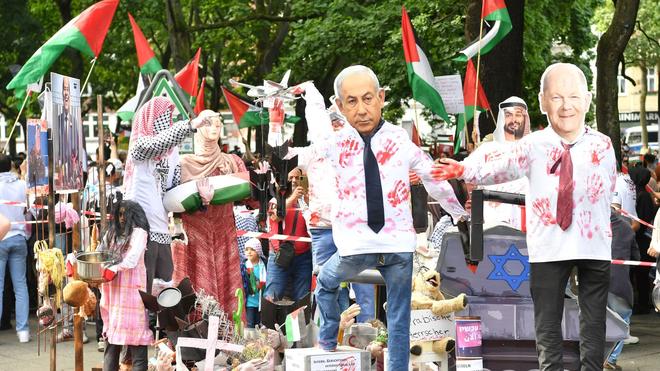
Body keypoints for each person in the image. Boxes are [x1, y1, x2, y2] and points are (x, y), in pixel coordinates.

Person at [432, 63, 616, 370]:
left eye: (573, 96)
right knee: (547, 322)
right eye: (556, 97)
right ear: (543, 102)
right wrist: (464, 170)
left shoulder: (603, 144)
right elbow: (500, 166)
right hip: (548, 247)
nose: (566, 106)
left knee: (594, 320)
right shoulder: (534, 144)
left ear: (587, 100)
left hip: (592, 244)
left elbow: (608, 187)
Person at [302, 66, 466, 370]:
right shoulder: (335, 142)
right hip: (356, 245)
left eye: (367, 99)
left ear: (381, 98)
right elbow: (310, 138)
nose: (362, 110)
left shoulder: (400, 141)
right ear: (338, 106)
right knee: (325, 282)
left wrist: (458, 213)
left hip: (396, 244)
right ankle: (326, 346)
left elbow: (432, 176)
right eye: (351, 102)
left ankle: (359, 354)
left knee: (400, 318)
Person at [288, 103, 375, 323]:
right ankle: (331, 335)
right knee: (328, 283)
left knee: (363, 282)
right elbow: (283, 154)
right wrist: (275, 121)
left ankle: (368, 333)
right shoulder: (313, 153)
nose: (335, 127)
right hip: (323, 229)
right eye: (331, 123)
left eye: (339, 123)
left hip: (357, 227)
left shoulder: (360, 149)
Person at [122, 97, 212, 294]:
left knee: (165, 293)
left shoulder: (173, 153)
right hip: (139, 233)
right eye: (162, 117)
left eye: (169, 118)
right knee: (139, 292)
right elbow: (158, 142)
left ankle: (158, 326)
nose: (166, 121)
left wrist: (200, 198)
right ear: (149, 119)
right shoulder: (139, 146)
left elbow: (174, 195)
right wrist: (190, 125)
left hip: (162, 233)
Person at [172, 111, 247, 314]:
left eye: (218, 123)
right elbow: (172, 205)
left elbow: (249, 196)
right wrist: (199, 201)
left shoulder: (231, 161)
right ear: (198, 128)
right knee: (197, 286)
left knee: (227, 285)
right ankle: (197, 336)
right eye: (209, 123)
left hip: (224, 234)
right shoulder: (184, 164)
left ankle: (227, 337)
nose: (215, 127)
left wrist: (263, 180)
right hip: (196, 237)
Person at [98, 200, 152, 371]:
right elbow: (99, 253)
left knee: (137, 342)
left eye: (125, 214)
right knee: (111, 343)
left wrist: (113, 268)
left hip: (133, 295)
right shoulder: (111, 233)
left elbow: (132, 259)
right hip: (112, 294)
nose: (122, 218)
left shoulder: (140, 234)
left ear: (133, 215)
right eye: (119, 214)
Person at [465, 96, 531, 230]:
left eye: (518, 114)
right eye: (508, 115)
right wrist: (473, 196)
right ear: (502, 118)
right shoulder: (487, 149)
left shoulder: (534, 149)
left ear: (525, 118)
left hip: (525, 219)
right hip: (491, 218)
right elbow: (465, 172)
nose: (514, 119)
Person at [263, 168, 312, 302]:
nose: (294, 181)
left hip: (303, 257)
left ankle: (302, 323)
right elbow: (276, 216)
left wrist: (306, 199)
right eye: (291, 178)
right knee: (272, 296)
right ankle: (268, 323)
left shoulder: (309, 199)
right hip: (279, 255)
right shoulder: (275, 200)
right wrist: (293, 198)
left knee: (302, 298)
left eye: (298, 177)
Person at [605, 204, 639, 370]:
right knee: (622, 319)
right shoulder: (627, 227)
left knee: (592, 319)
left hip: (592, 282)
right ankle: (610, 359)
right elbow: (636, 258)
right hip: (619, 282)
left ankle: (593, 357)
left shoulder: (591, 223)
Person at [0, 154, 30, 343]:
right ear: (11, 165)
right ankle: (23, 331)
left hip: (1, 238)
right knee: (21, 285)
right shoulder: (21, 184)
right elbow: (27, 209)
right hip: (19, 236)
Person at [243, 238, 266, 328]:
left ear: (258, 251)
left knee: (260, 324)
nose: (249, 252)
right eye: (247, 249)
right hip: (250, 302)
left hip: (261, 301)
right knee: (250, 324)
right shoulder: (244, 266)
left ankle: (259, 342)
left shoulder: (264, 265)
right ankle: (251, 341)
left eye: (252, 249)